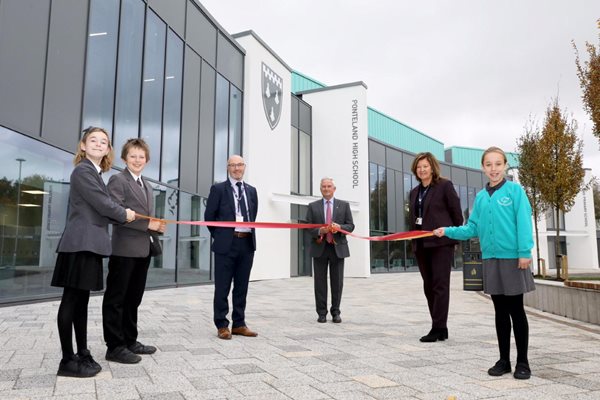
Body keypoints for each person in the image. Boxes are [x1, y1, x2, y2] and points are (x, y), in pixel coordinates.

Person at [433, 146, 535, 380]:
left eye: (498, 164)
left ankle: (523, 362)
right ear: (483, 168)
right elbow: (472, 228)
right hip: (490, 259)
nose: (493, 169)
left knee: (516, 310)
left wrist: (524, 252)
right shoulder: (480, 197)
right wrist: (446, 231)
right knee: (499, 311)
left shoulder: (515, 191)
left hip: (513, 259)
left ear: (505, 165)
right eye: (489, 164)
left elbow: (523, 222)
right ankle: (504, 360)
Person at [51, 127, 136, 378]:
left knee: (81, 302)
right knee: (71, 301)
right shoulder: (83, 170)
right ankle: (67, 360)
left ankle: (82, 352)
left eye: (104, 142)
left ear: (108, 149)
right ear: (83, 146)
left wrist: (120, 213)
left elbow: (100, 206)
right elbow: (102, 203)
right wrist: (124, 213)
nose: (99, 144)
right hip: (80, 243)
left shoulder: (95, 173)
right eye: (94, 140)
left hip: (89, 244)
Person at [102, 138, 166, 364]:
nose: (137, 160)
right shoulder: (117, 181)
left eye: (141, 156)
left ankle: (130, 340)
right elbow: (115, 212)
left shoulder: (147, 185)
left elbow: (144, 217)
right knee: (116, 299)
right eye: (133, 156)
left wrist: (155, 225)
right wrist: (148, 224)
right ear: (124, 159)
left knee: (133, 299)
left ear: (147, 160)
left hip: (142, 250)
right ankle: (114, 346)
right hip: (124, 250)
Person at [408, 152, 463, 342]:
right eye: (419, 166)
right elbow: (413, 220)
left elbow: (457, 215)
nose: (422, 169)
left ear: (432, 167)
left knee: (440, 285)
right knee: (428, 287)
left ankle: (438, 327)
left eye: (425, 166)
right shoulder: (414, 192)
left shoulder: (444, 186)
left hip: (441, 244)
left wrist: (452, 235)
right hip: (421, 244)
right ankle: (440, 326)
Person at [204, 155, 259, 340]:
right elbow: (209, 217)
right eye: (233, 165)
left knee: (242, 286)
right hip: (226, 245)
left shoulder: (251, 191)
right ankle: (222, 325)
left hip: (247, 243)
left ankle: (239, 324)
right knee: (222, 286)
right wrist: (221, 236)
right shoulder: (218, 189)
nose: (237, 168)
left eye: (240, 165)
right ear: (228, 167)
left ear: (245, 167)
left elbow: (254, 216)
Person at [306, 177, 355, 323]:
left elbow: (351, 226)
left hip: (337, 248)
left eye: (329, 186)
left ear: (334, 189)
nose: (326, 189)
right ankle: (321, 313)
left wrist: (339, 227)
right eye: (323, 186)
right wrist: (320, 230)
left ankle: (336, 312)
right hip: (319, 247)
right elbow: (308, 227)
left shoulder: (344, 205)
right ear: (320, 189)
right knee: (319, 283)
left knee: (337, 282)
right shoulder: (312, 206)